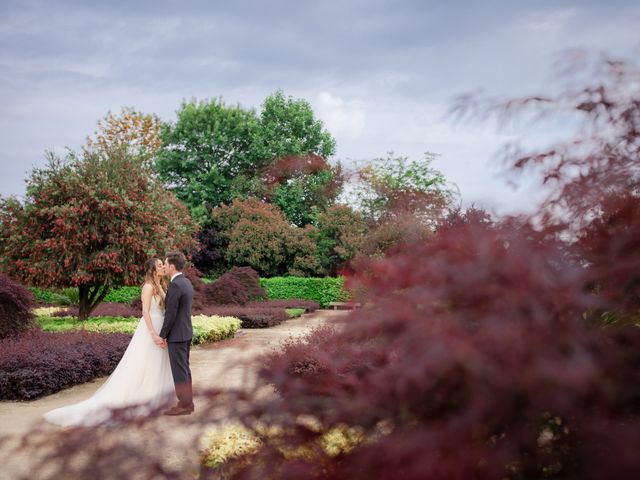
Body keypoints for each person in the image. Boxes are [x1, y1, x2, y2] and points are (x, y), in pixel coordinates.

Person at [43, 258, 175, 426]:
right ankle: (144, 401)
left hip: (162, 327)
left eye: (163, 265)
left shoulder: (162, 286)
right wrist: (154, 334)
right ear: (152, 269)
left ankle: (158, 399)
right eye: (159, 265)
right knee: (146, 364)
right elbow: (146, 312)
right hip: (151, 330)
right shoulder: (148, 287)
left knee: (159, 364)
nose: (163, 267)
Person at [159, 251, 195, 415]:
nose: (164, 267)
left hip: (177, 335)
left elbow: (171, 313)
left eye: (165, 264)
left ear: (172, 266)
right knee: (185, 369)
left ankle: (184, 405)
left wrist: (162, 335)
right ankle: (188, 402)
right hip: (186, 332)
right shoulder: (186, 282)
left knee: (180, 370)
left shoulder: (175, 285)